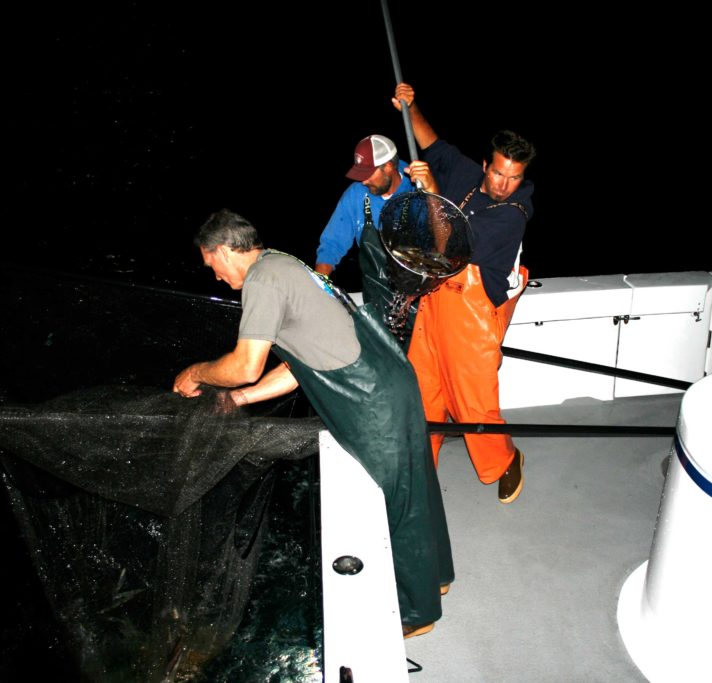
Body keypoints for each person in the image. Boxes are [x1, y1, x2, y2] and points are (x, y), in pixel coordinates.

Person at [173, 209, 454, 637]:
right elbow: (300, 363)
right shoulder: (285, 264)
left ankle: (416, 613)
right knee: (415, 486)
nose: (213, 275)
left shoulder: (262, 281)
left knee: (397, 502)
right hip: (387, 378)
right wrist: (241, 398)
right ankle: (437, 577)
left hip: (369, 397)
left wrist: (196, 373)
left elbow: (246, 364)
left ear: (225, 250)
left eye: (211, 263)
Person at [391, 82, 536, 504]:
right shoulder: (466, 172)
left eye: (515, 177)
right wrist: (410, 104)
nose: (504, 184)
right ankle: (421, 473)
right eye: (498, 172)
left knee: (473, 404)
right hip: (435, 300)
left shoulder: (513, 215)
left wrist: (432, 193)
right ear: (486, 162)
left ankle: (505, 460)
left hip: (474, 316)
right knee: (423, 393)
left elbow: (453, 242)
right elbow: (429, 141)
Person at [314, 135, 418, 345]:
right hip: (376, 297)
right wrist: (318, 288)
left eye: (368, 174)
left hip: (417, 304)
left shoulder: (419, 192)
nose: (363, 181)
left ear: (388, 167)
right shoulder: (357, 195)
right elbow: (331, 246)